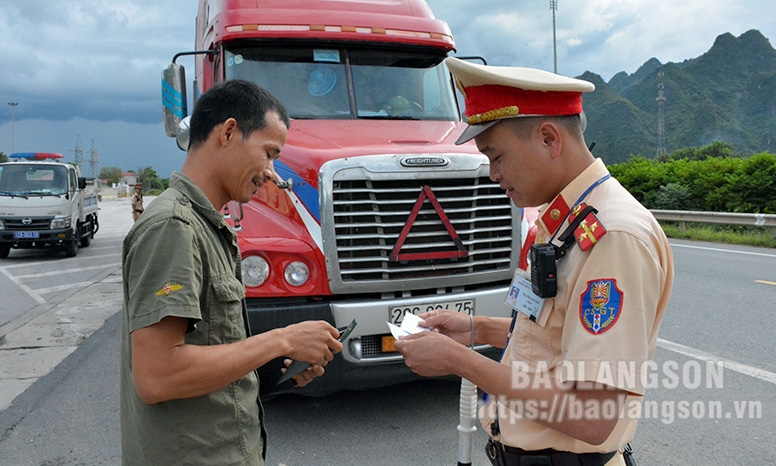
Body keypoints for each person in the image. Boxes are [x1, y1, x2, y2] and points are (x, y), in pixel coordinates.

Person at [395, 58, 674, 466]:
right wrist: (475, 330)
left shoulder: (611, 235)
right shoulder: (565, 218)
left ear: (549, 139)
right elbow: (556, 336)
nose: (492, 174)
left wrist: (459, 361)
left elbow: (593, 415)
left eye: (497, 156)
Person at [120, 79, 343, 466]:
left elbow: (207, 349)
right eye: (269, 153)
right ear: (228, 132)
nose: (271, 173)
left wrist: (274, 368)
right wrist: (280, 340)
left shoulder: (208, 225)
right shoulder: (174, 227)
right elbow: (157, 376)